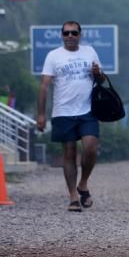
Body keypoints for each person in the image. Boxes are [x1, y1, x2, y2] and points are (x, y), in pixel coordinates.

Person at [37, 21, 105, 212]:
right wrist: (41, 114)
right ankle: (73, 197)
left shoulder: (89, 51)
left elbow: (100, 79)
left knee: (90, 147)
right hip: (63, 112)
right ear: (62, 35)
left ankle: (83, 183)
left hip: (87, 110)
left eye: (74, 33)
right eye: (66, 33)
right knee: (69, 153)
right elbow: (44, 86)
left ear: (79, 35)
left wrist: (97, 73)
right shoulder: (53, 56)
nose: (70, 36)